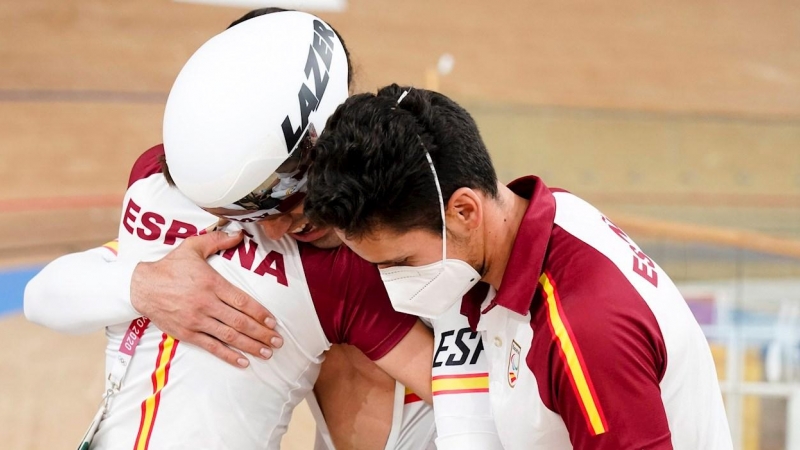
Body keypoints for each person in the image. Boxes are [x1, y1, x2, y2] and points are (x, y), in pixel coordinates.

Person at [25, 11, 501, 450]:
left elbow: (469, 397)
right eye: (247, 214)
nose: (274, 229)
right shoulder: (158, 181)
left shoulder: (350, 263)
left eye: (296, 201)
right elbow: (40, 298)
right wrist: (141, 285)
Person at [302, 84, 735, 449]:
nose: (394, 283)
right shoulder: (531, 226)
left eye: (401, 262)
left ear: (464, 211)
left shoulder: (583, 333)